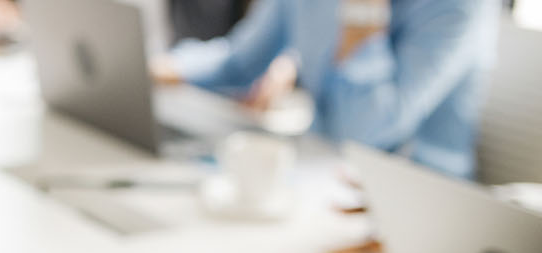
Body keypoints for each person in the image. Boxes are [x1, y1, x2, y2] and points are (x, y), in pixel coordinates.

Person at [153, 0, 501, 178]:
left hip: (417, 197)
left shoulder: (458, 6)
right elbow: (240, 63)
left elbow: (364, 134)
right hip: (319, 170)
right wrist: (163, 68)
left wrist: (362, 14)